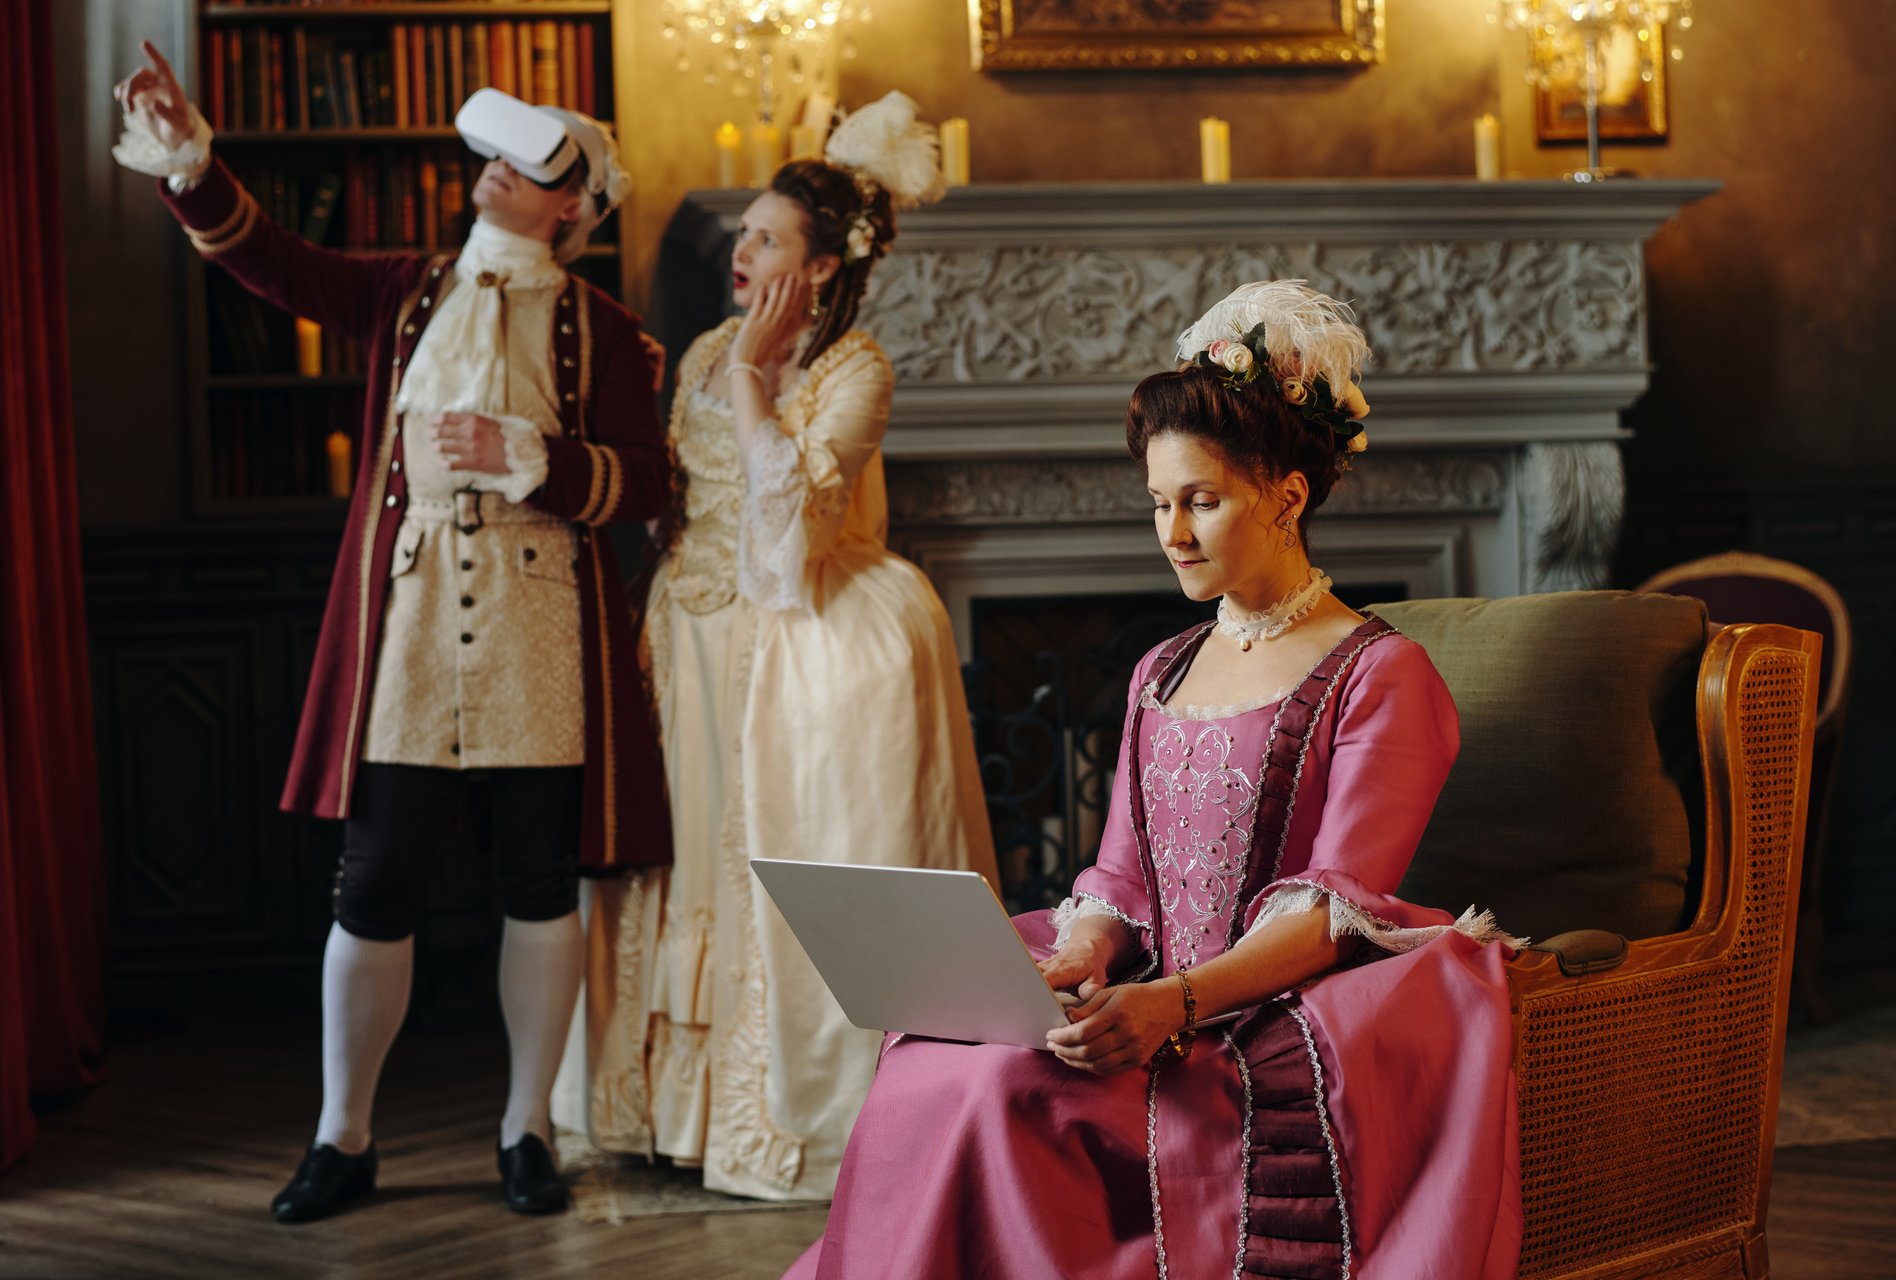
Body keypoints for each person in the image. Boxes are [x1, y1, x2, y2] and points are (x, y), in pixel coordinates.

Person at [785, 281, 1525, 1278]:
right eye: (1159, 503)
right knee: (935, 1064)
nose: (1173, 532)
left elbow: (1329, 916)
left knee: (997, 1094)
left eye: (1201, 502)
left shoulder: (1380, 674)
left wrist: (1171, 1005)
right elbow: (1120, 876)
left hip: (1257, 1018)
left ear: (1287, 497)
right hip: (1145, 996)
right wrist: (1080, 956)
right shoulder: (1161, 668)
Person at [110, 46, 673, 1222]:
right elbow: (270, 261)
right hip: (408, 629)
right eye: (494, 155)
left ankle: (527, 1130)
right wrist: (189, 157)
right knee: (372, 885)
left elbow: (647, 484)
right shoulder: (405, 290)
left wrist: (536, 457)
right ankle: (344, 1134)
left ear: (571, 205)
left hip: (542, 634)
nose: (494, 170)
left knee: (540, 884)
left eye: (526, 166)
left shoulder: (607, 330)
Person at [556, 93, 998, 1202]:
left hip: (798, 644)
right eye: (742, 234)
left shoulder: (855, 369)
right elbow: (679, 496)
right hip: (684, 639)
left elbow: (794, 531)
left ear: (823, 265)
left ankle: (790, 1121)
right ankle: (666, 1114)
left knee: (767, 863)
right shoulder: (706, 346)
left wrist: (758, 378)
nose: (740, 252)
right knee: (673, 862)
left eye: (765, 238)